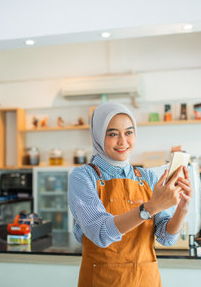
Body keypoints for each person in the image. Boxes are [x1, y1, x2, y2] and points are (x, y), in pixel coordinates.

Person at [68, 102, 192, 287]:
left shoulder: (148, 177)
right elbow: (100, 233)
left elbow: (167, 237)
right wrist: (150, 207)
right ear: (98, 136)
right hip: (102, 281)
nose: (123, 141)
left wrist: (182, 208)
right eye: (112, 134)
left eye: (128, 132)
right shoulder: (83, 177)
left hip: (145, 280)